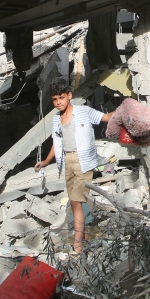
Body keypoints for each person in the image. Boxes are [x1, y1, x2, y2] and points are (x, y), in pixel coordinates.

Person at [34, 77, 112, 254]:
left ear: (69, 96)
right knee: (74, 200)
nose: (58, 102)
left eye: (61, 98)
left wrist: (125, 113)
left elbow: (106, 117)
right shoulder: (56, 119)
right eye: (54, 99)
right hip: (67, 162)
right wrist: (46, 161)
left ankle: (78, 245)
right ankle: (83, 235)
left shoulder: (83, 111)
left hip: (83, 161)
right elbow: (57, 141)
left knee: (76, 202)